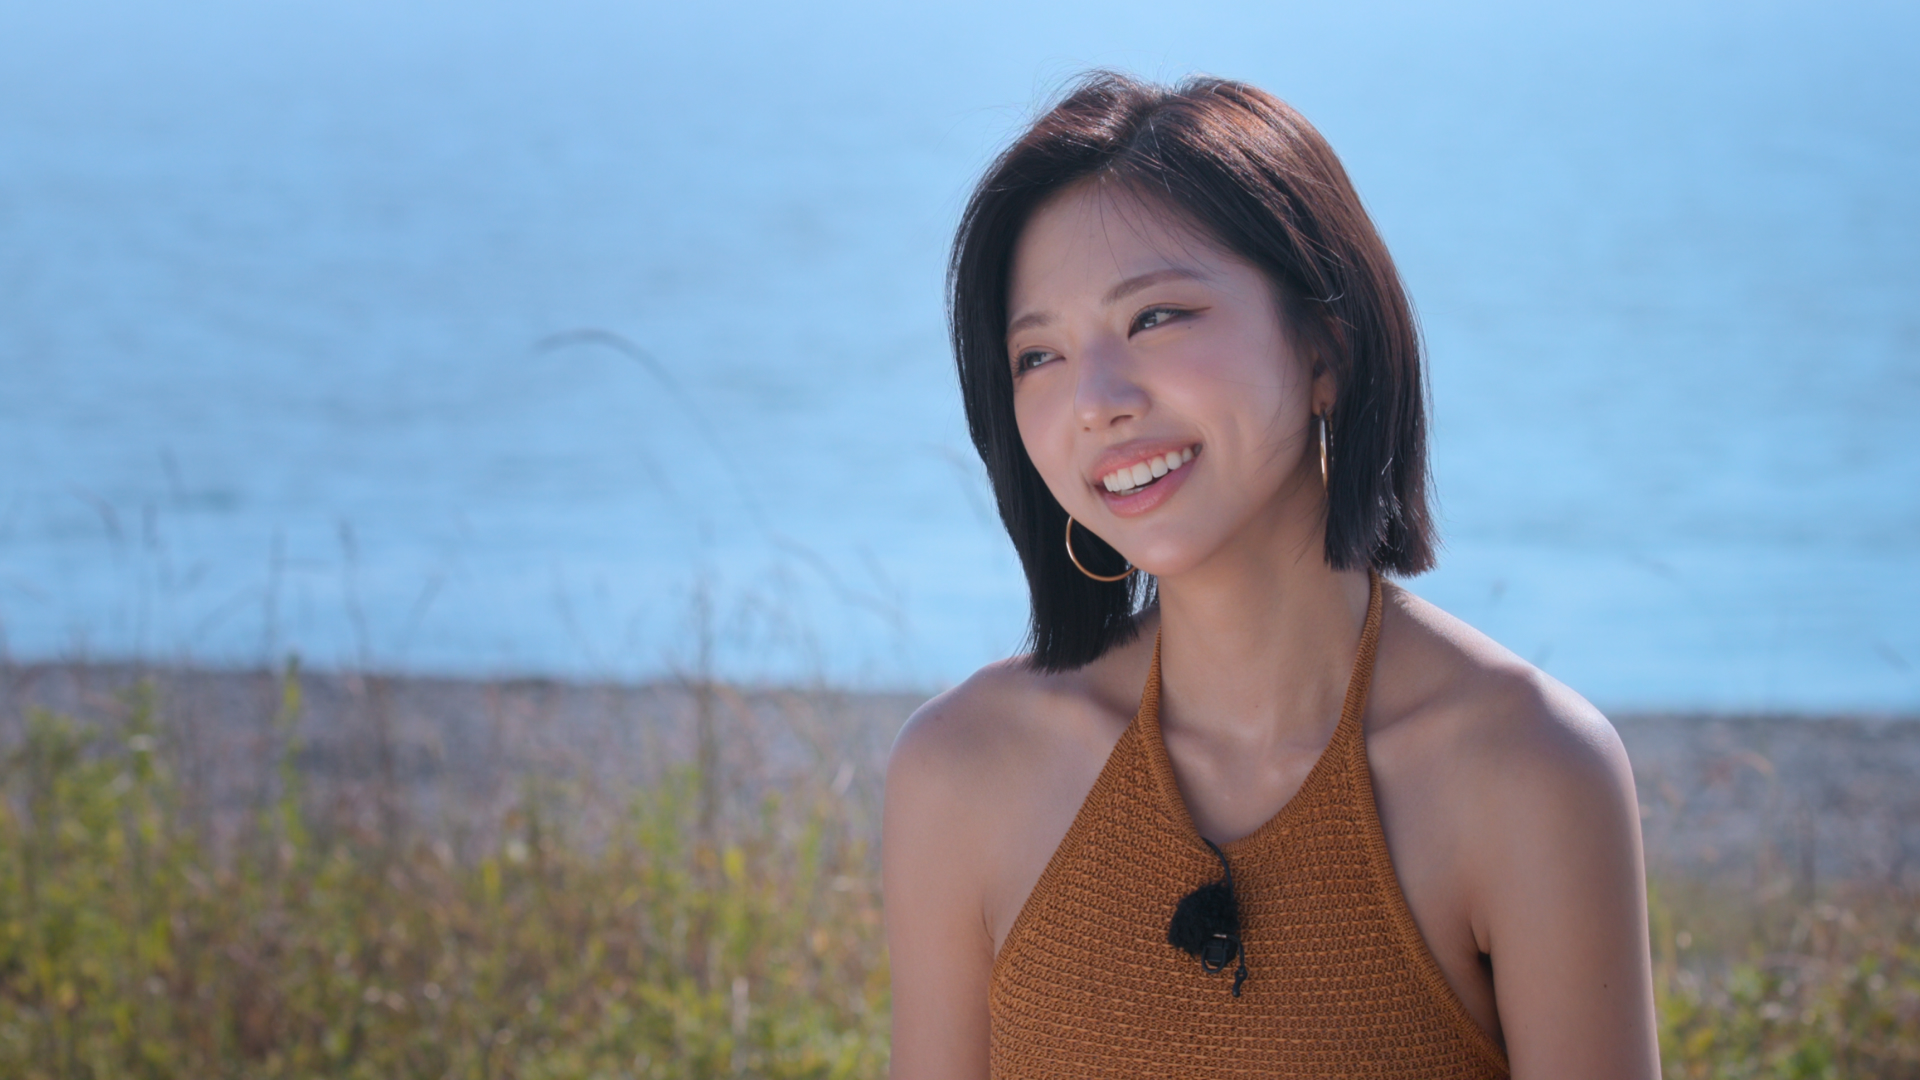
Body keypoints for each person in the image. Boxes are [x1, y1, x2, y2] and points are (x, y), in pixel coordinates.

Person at [882, 72, 1660, 1079]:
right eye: (1039, 355)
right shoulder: (962, 770)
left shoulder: (1530, 771)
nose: (1096, 400)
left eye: (1156, 317)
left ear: (1325, 346)